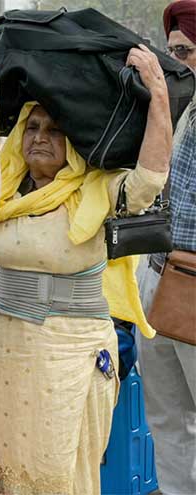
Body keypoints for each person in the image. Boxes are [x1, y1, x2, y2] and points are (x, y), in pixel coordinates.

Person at [0, 45, 172, 494]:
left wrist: (158, 98)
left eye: (56, 130)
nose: (40, 137)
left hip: (68, 355)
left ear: (77, 142)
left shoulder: (96, 189)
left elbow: (149, 180)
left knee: (58, 474)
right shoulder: (0, 189)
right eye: (33, 127)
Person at [135, 3, 196, 494]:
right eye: (171, 50)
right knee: (164, 415)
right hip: (158, 276)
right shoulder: (178, 104)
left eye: (185, 52)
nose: (175, 62)